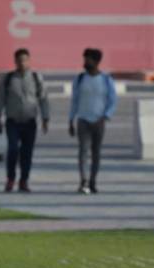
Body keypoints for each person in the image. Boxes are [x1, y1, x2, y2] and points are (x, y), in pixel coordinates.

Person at [0, 47, 49, 192]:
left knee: (27, 152)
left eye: (25, 60)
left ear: (29, 61)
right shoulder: (8, 79)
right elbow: (0, 99)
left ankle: (24, 180)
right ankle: (10, 179)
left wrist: (45, 118)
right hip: (12, 121)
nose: (22, 63)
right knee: (12, 150)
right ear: (15, 61)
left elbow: (43, 99)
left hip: (29, 122)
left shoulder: (36, 78)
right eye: (19, 60)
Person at [69, 48, 115, 194]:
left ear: (96, 61)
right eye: (84, 59)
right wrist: (71, 120)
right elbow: (74, 100)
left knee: (96, 153)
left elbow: (112, 101)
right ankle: (84, 180)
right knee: (83, 151)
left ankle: (93, 181)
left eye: (87, 59)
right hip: (83, 120)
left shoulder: (106, 80)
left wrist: (105, 116)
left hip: (99, 121)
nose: (85, 62)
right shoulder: (80, 79)